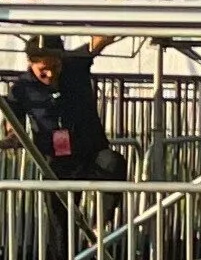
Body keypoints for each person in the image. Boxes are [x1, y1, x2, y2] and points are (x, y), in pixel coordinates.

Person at [5, 36, 123, 180]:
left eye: (55, 67)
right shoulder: (22, 88)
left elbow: (96, 43)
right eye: (43, 69)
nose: (50, 74)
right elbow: (13, 120)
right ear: (30, 63)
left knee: (112, 163)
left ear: (62, 59)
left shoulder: (75, 65)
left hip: (91, 149)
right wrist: (13, 137)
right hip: (56, 158)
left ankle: (106, 203)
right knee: (58, 186)